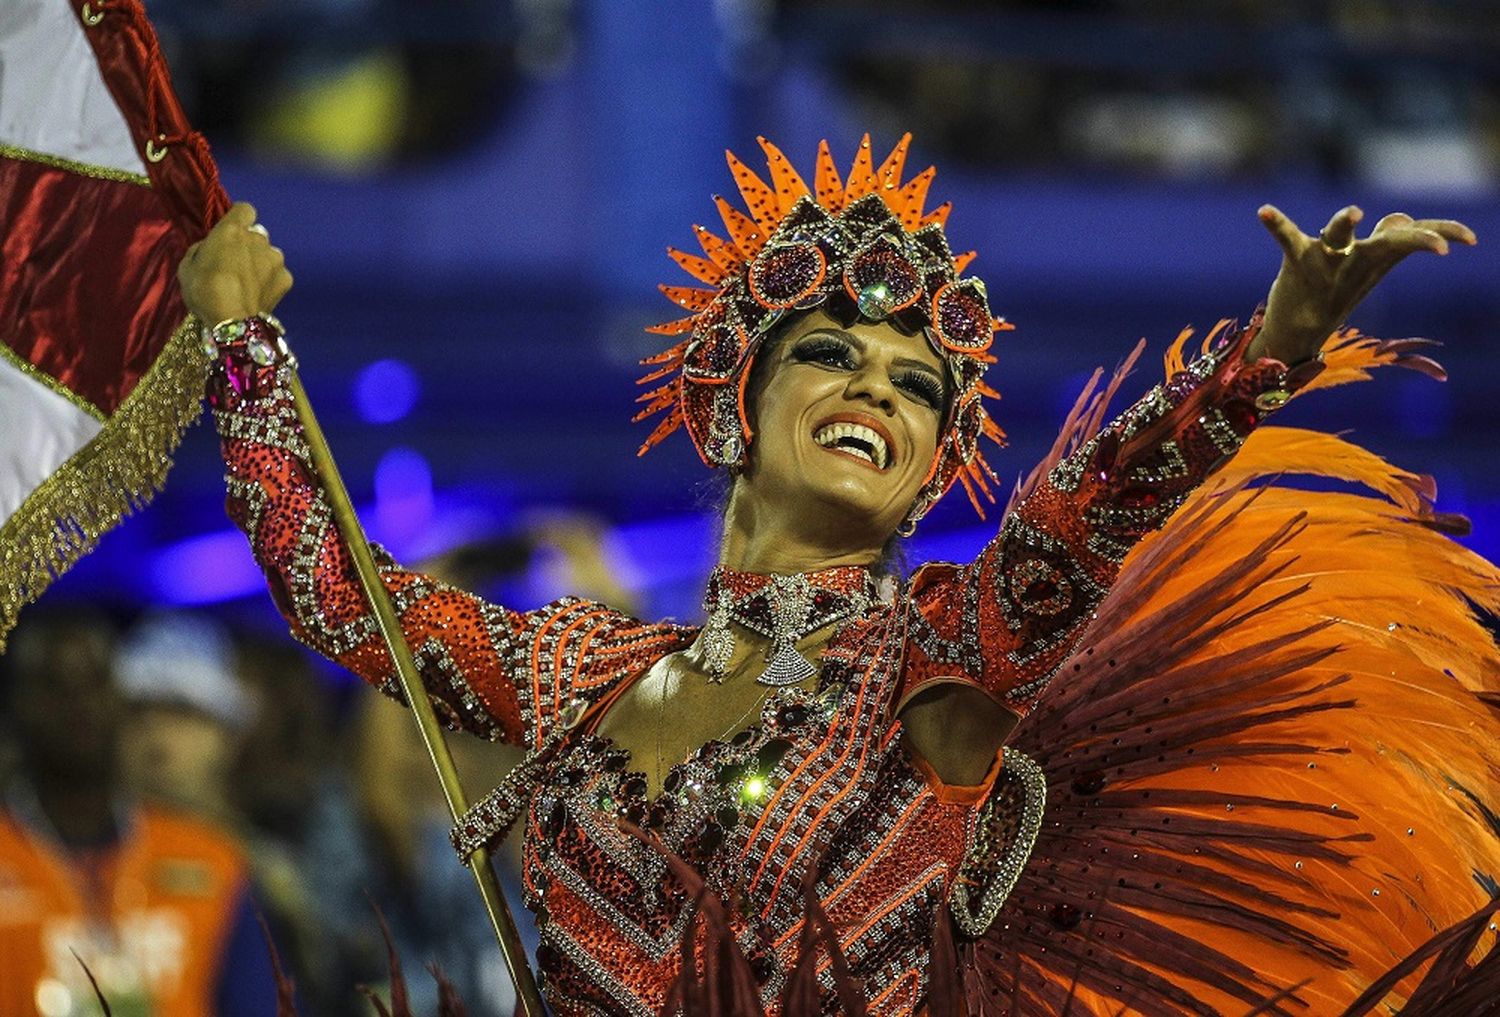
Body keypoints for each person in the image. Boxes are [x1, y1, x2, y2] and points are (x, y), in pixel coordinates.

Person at [178, 134, 1499, 1015]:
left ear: (930, 469)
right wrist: (238, 335)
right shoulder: (574, 667)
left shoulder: (935, 659)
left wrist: (1262, 356)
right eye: (832, 353)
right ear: (734, 403)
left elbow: (1078, 517)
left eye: (919, 384)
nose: (879, 381)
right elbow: (334, 586)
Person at [0, 606, 280, 1017]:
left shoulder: (213, 861)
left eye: (95, 682)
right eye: (53, 686)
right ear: (16, 708)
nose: (78, 704)